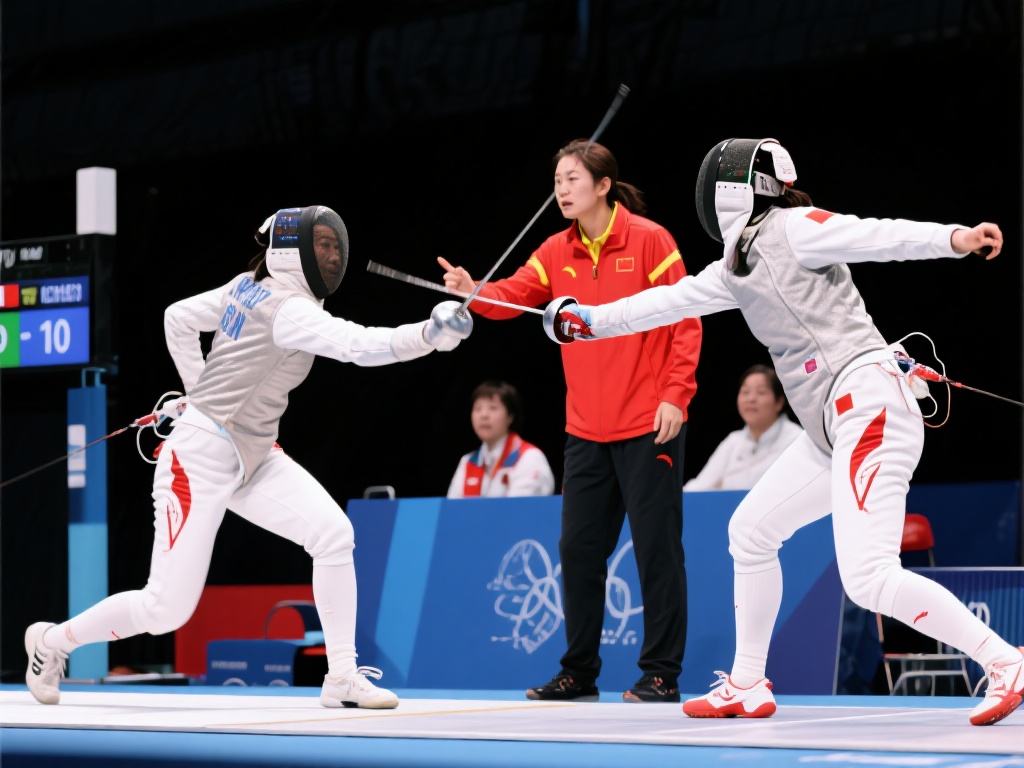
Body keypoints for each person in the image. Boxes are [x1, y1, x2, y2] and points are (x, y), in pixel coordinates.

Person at [547, 137, 1023, 726]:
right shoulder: (735, 266)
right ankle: (747, 683)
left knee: (868, 578)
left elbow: (874, 235)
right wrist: (585, 320)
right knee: (750, 532)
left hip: (868, 405)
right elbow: (663, 303)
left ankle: (1005, 661)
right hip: (830, 427)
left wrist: (953, 238)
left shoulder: (796, 228)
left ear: (729, 189)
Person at [24, 205, 472, 710]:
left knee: (333, 535)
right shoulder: (286, 307)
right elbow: (358, 345)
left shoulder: (247, 287)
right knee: (165, 608)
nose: (330, 255)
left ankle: (342, 676)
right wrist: (428, 336)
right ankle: (51, 642)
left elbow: (178, 317)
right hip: (199, 459)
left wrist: (200, 393)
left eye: (334, 246)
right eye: (320, 245)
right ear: (290, 250)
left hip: (254, 453)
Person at [439, 139, 702, 703]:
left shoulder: (651, 240)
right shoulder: (556, 250)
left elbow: (687, 318)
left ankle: (661, 672)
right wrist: (471, 291)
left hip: (648, 423)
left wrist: (675, 395)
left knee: (656, 550)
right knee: (578, 551)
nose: (561, 189)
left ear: (603, 185)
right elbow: (513, 295)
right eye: (557, 180)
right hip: (585, 430)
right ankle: (579, 672)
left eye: (572, 178)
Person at [684, 364, 803, 491]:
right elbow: (700, 486)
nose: (751, 399)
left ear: (779, 402)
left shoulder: (796, 439)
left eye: (761, 392)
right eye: (745, 392)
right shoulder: (733, 441)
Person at [447, 380, 556, 498]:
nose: (484, 415)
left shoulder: (529, 457)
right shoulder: (467, 462)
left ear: (510, 416)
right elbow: (452, 508)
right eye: (478, 409)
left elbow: (521, 507)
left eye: (493, 408)